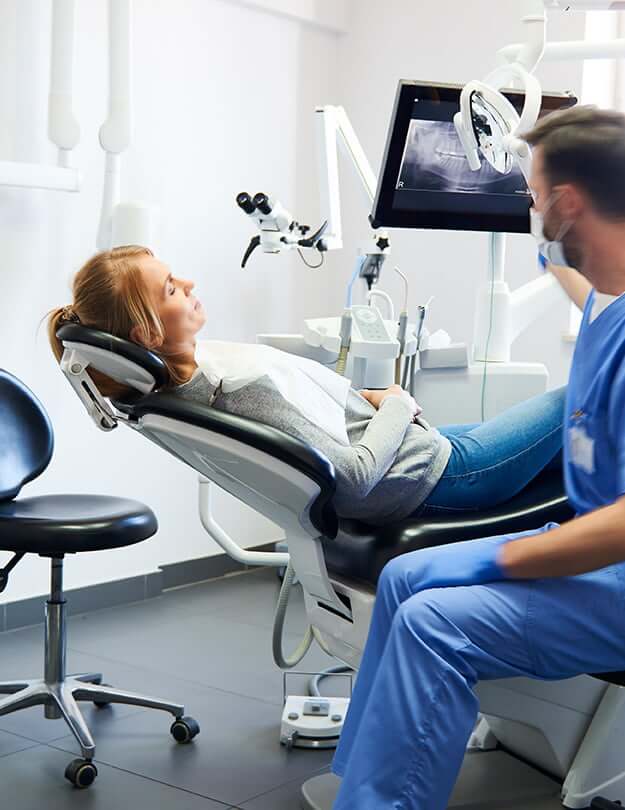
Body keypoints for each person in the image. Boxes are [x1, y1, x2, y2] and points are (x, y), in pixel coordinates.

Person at [329, 104, 625, 810]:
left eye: (531, 197)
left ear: (567, 203)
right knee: (403, 575)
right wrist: (544, 237)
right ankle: (362, 782)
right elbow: (571, 275)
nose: (526, 208)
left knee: (435, 623)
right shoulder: (604, 300)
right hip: (590, 559)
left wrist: (507, 558)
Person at [48, 247, 563, 527]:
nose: (190, 285)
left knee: (581, 454)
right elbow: (356, 476)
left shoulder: (181, 388)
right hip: (432, 476)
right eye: (171, 288)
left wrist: (377, 408)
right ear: (148, 334)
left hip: (418, 458)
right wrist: (397, 402)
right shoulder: (234, 391)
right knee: (580, 401)